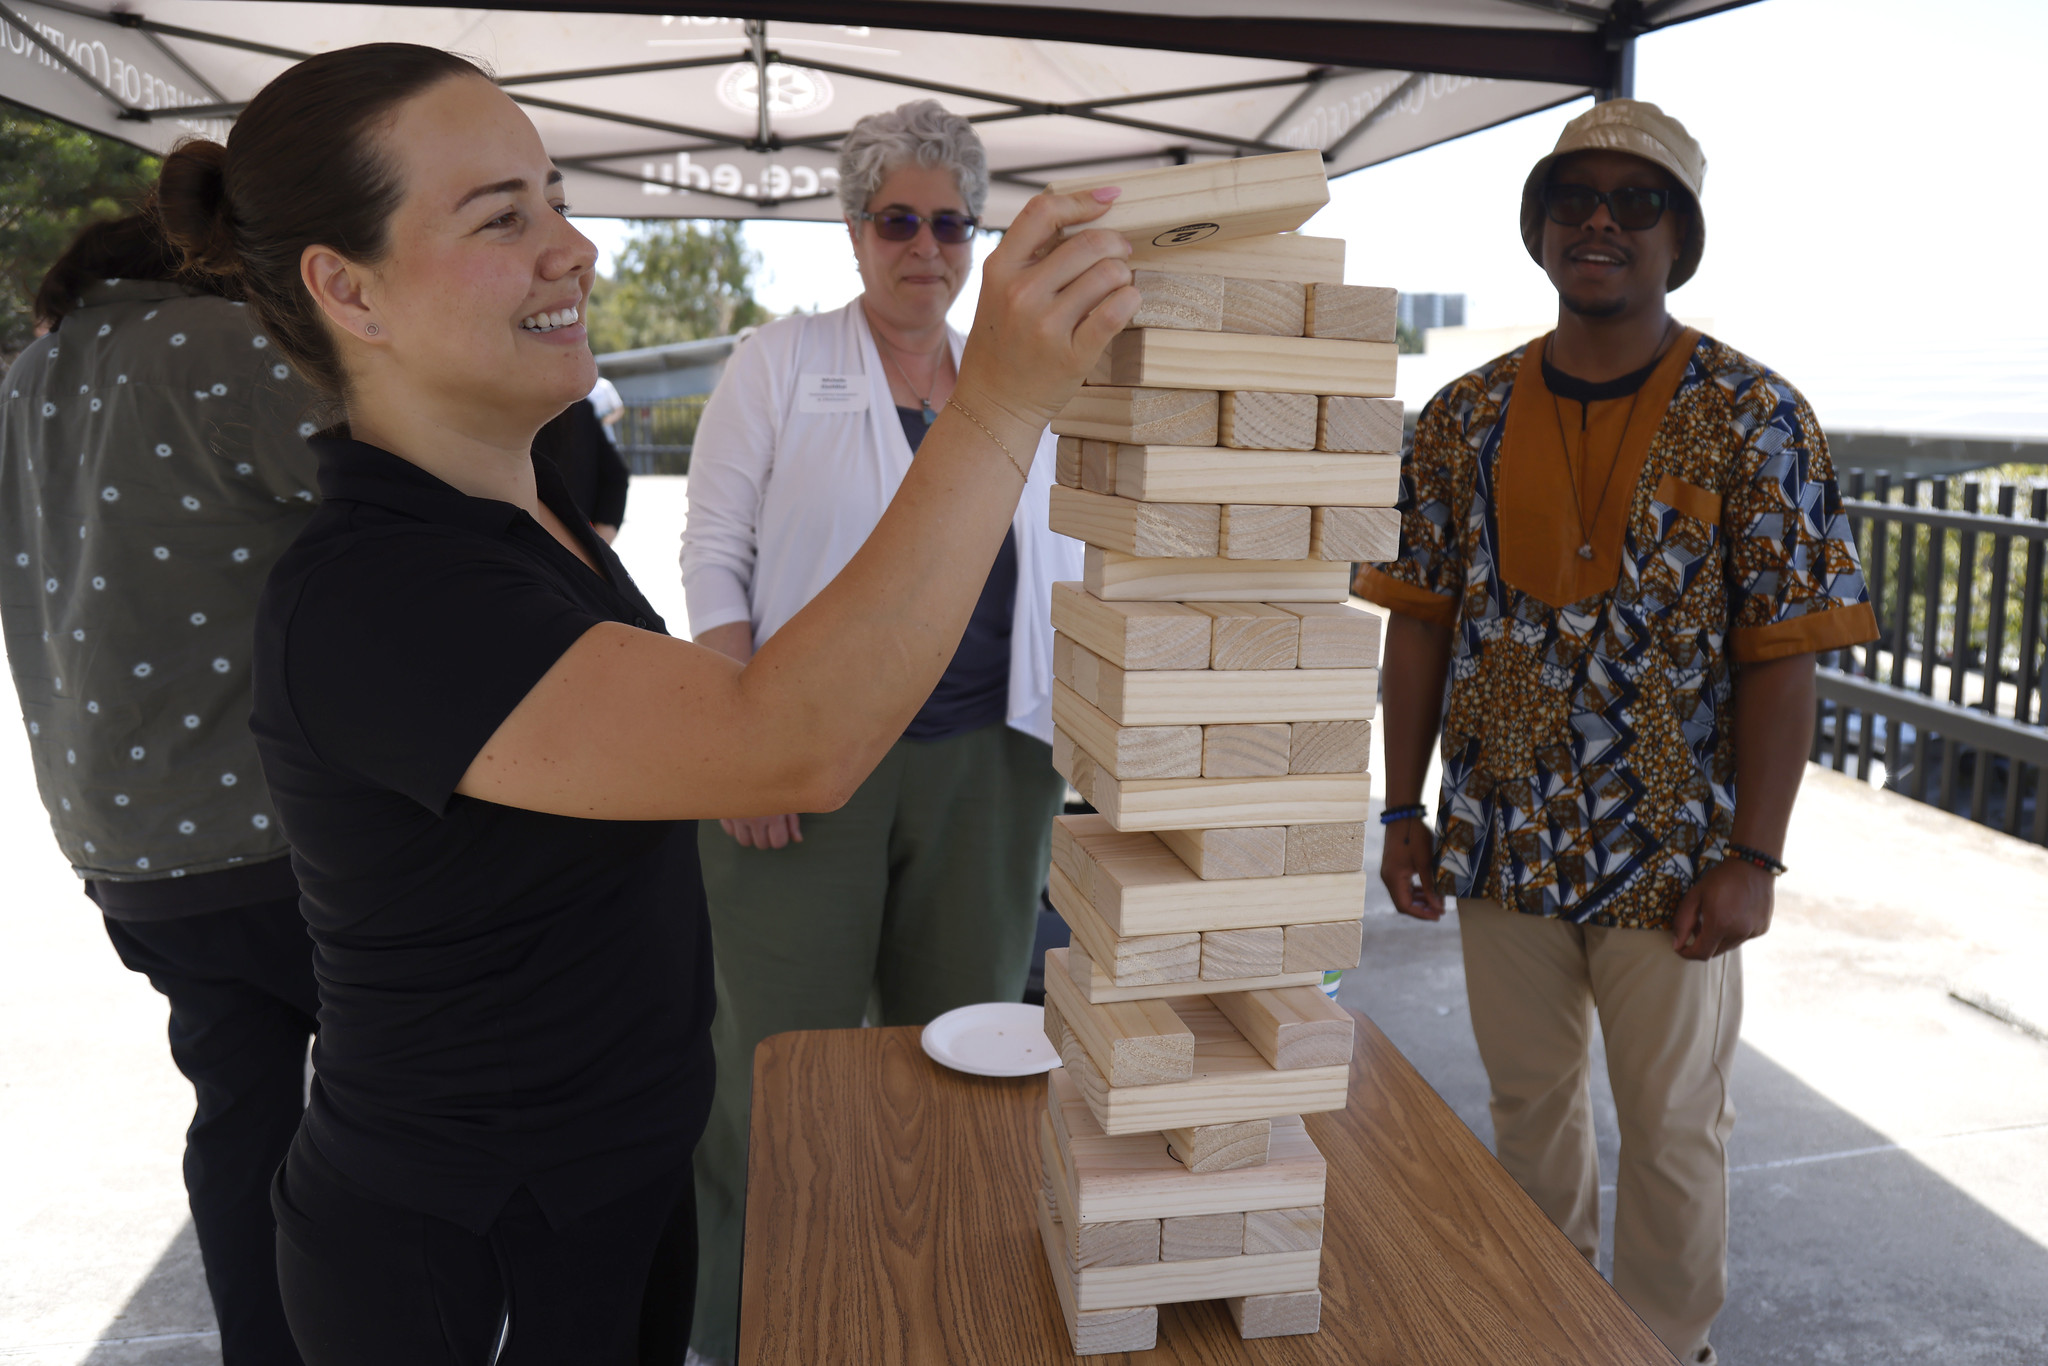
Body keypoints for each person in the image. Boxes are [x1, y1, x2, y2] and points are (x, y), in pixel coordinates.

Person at [146, 43, 1136, 1364]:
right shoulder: (375, 594)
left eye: (555, 199)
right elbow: (788, 740)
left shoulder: (533, 497)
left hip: (601, 1190)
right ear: (347, 288)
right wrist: (1004, 397)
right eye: (504, 216)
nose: (575, 249)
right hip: (469, 1246)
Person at [1355, 100, 1878, 1366]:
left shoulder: (1754, 414)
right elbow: (1417, 626)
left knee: (1673, 1123)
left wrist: (1754, 856)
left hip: (1678, 850)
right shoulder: (1459, 419)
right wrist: (1402, 808)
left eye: (1633, 201)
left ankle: (1657, 1345)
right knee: (1527, 1113)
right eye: (1571, 199)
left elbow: (1783, 649)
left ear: (1676, 236)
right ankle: (1542, 1331)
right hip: (1502, 835)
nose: (1599, 220)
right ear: (1538, 233)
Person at [677, 98, 1081, 1363]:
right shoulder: (781, 362)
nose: (928, 247)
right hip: (805, 765)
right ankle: (743, 1327)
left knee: (964, 1058)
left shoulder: (1018, 384)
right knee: (773, 1072)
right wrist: (742, 747)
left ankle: (937, 1316)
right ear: (856, 231)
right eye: (899, 220)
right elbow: (713, 560)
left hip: (987, 765)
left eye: (951, 224)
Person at [0, 211, 321, 1364]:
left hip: (123, 840)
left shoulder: (31, 374)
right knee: (414, 1102)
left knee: (244, 1115)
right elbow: (384, 484)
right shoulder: (211, 344)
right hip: (267, 821)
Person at [533, 395, 630, 540]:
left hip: (564, 549)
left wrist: (597, 547)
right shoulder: (578, 407)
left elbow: (615, 477)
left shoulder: (580, 408)